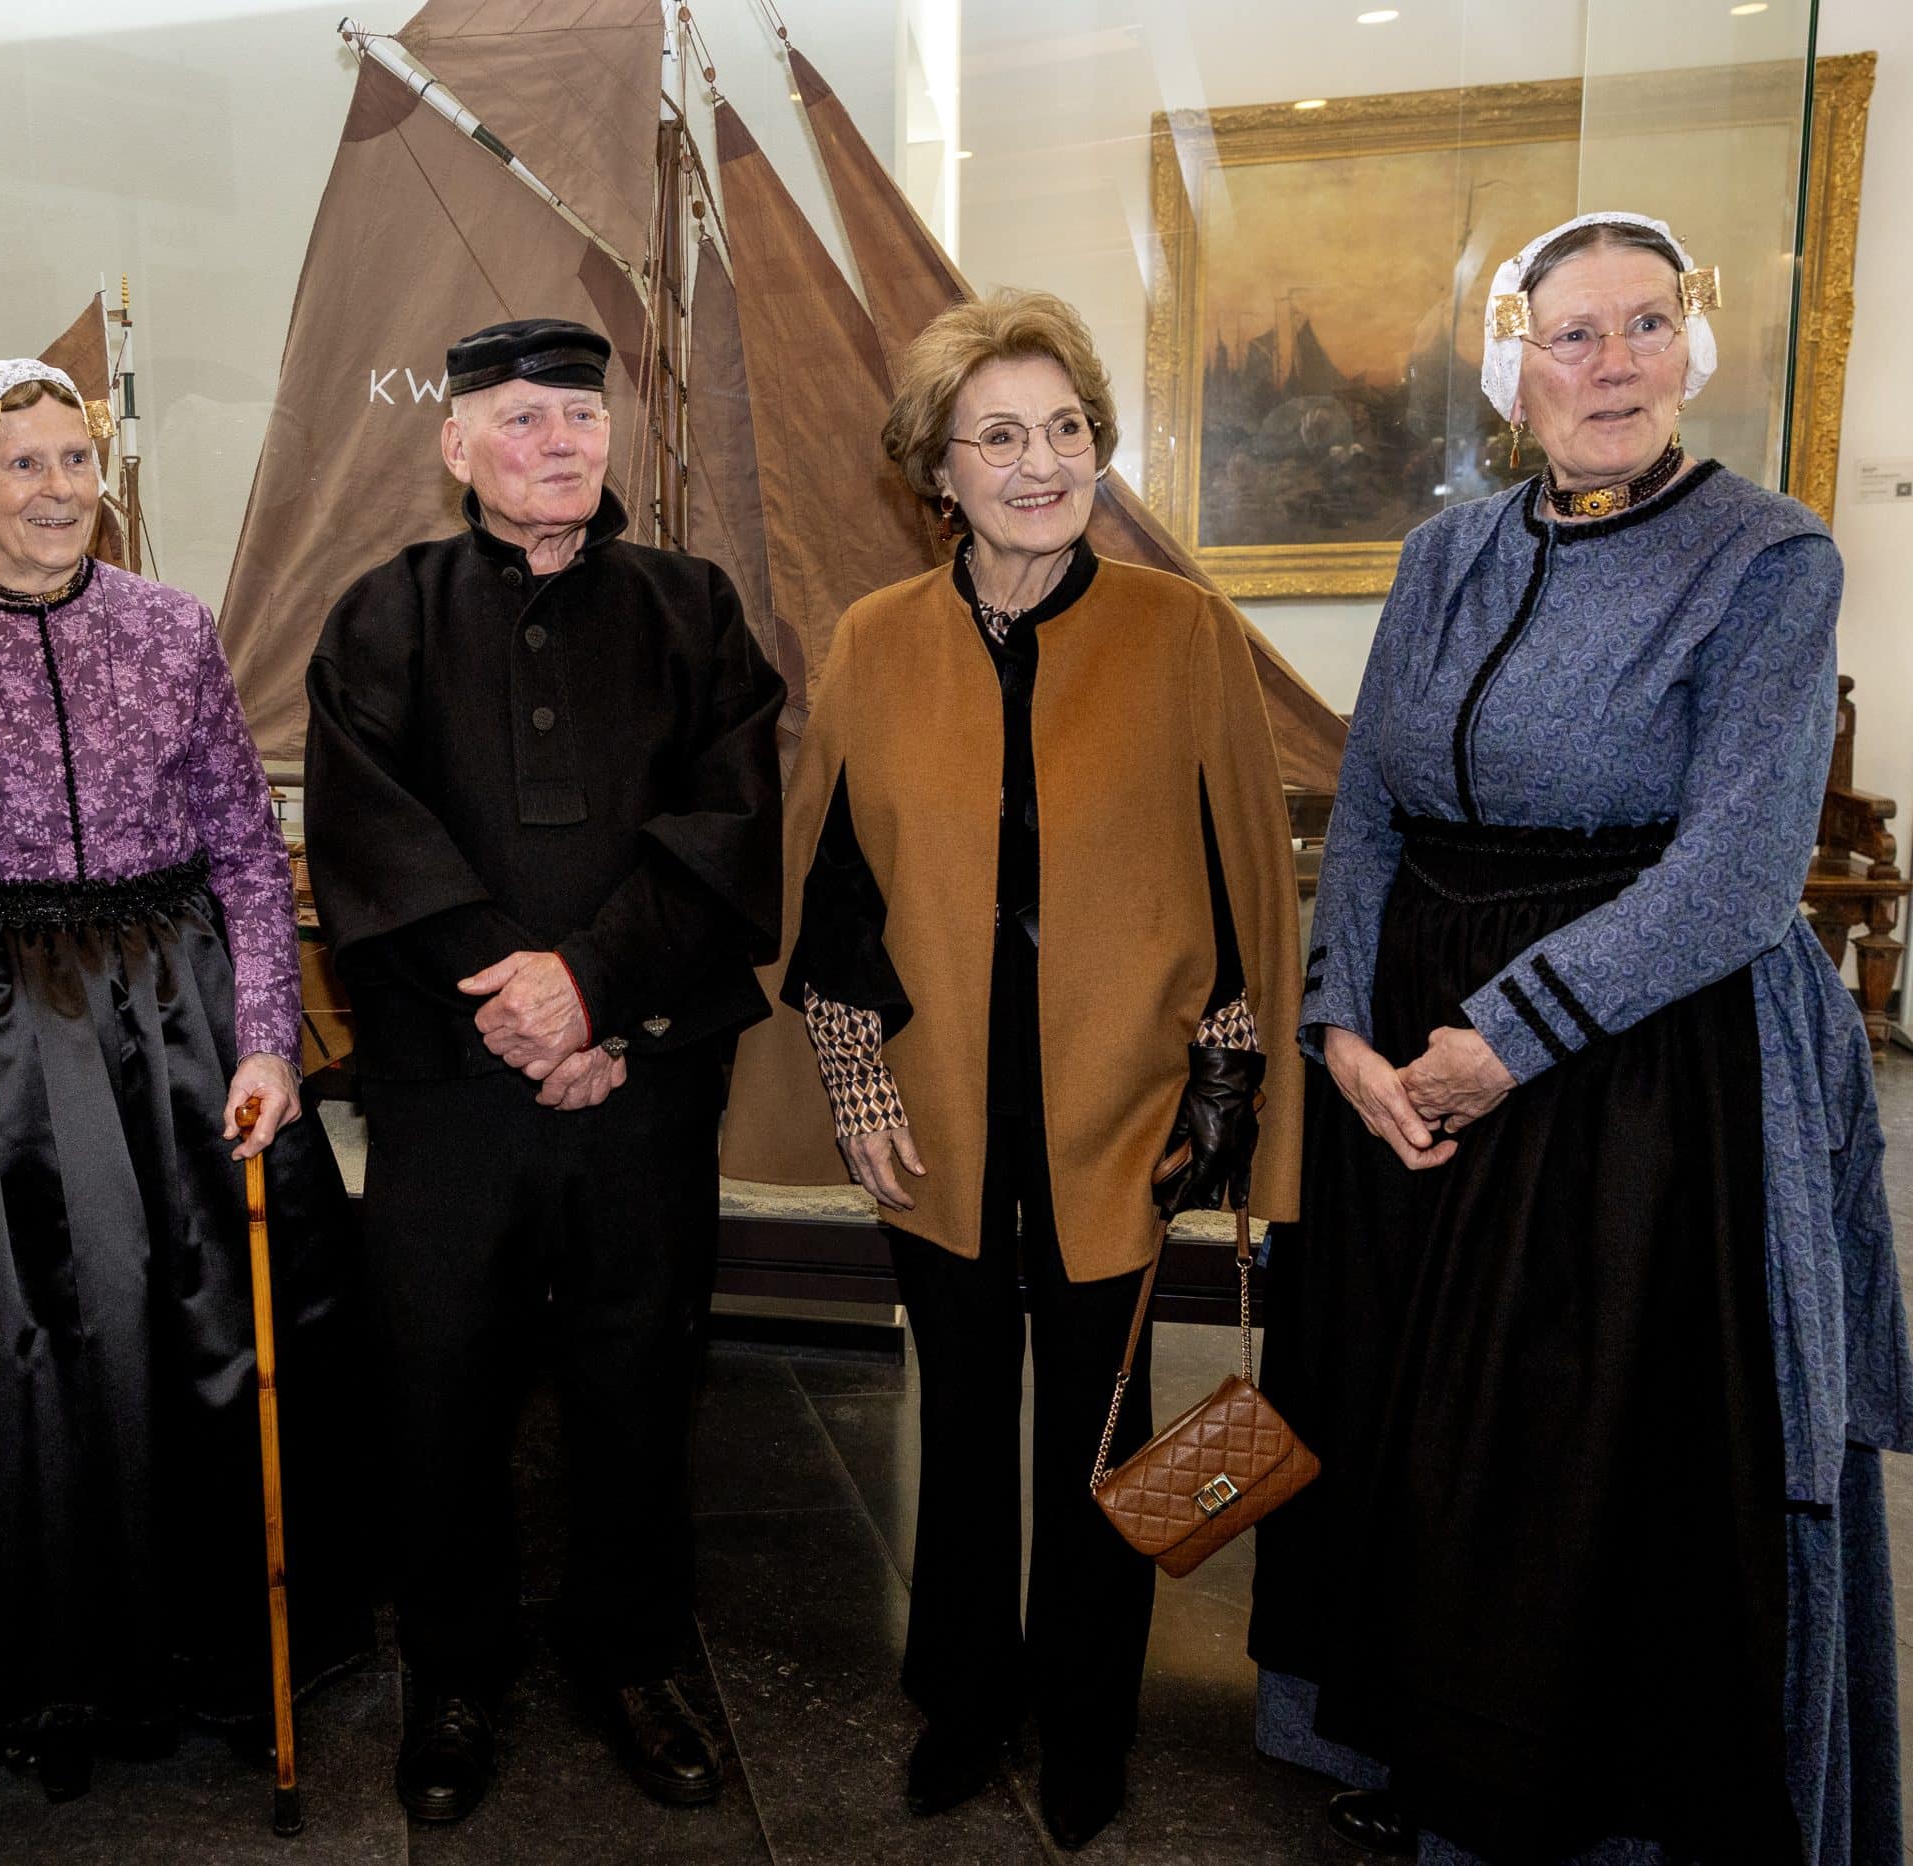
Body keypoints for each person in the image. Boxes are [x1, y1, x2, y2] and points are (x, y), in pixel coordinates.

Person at [1247, 212, 1913, 1865]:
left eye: (1646, 324)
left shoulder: (1768, 558)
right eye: (1574, 333)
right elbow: (1372, 805)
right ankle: (1414, 1735)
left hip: (1638, 1060)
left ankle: (1560, 1795)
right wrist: (1342, 1028)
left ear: (1691, 347)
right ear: (1515, 369)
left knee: (1560, 1448)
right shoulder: (1444, 554)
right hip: (1409, 1058)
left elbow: (1738, 874)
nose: (1613, 364)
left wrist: (1505, 1038)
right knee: (1407, 1418)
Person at [721, 287, 1304, 1851]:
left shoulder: (1181, 631)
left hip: (1124, 1104)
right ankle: (967, 1696)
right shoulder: (877, 639)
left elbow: (1242, 873)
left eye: (1065, 429)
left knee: (1105, 1425)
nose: (1041, 463)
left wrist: (1230, 1072)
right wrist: (857, 1083)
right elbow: (832, 886)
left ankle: (1090, 1718)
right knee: (966, 1416)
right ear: (939, 470)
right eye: (1000, 435)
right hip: (945, 1111)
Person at [0, 359, 369, 1797]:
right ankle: (49, 1678)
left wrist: (267, 1036)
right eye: (23, 464)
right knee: (14, 1340)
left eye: (75, 459)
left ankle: (219, 1656)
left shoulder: (172, 626)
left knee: (211, 1324)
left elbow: (245, 853)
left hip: (179, 1024)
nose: (59, 489)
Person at [302, 316, 784, 1823]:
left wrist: (596, 1001)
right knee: (439, 1382)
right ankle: (454, 1672)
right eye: (519, 417)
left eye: (579, 413)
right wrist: (522, 1006)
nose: (557, 441)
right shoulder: (381, 617)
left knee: (643, 1378)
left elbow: (732, 826)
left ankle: (634, 1655)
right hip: (450, 1092)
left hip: (644, 1080)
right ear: (454, 444)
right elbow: (368, 840)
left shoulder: (696, 611)